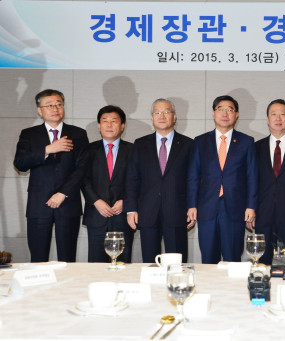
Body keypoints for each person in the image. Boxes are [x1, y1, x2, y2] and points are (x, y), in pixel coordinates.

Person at [14, 89, 89, 262]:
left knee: (68, 258)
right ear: (40, 111)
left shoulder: (78, 134)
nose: (55, 108)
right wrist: (48, 149)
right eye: (49, 105)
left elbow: (82, 169)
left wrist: (63, 193)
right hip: (38, 204)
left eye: (59, 104)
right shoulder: (29, 134)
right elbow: (20, 163)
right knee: (38, 258)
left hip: (68, 203)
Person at [187, 95, 257, 263]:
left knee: (233, 258)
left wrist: (251, 206)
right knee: (208, 259)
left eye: (230, 109)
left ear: (237, 115)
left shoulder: (247, 142)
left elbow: (252, 177)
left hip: (235, 208)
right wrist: (191, 205)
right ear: (213, 113)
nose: (225, 113)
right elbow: (193, 176)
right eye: (221, 109)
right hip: (207, 208)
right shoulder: (200, 141)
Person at [125, 98, 193, 263]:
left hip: (177, 212)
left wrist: (192, 206)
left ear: (174, 117)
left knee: (177, 265)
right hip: (147, 212)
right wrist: (131, 209)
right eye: (157, 112)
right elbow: (132, 179)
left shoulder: (188, 144)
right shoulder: (140, 144)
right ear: (152, 117)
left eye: (166, 112)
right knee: (150, 262)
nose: (161, 116)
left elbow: (193, 179)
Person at [81, 105, 134, 263]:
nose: (109, 125)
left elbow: (140, 180)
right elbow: (83, 178)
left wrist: (126, 201)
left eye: (114, 121)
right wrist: (96, 201)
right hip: (97, 215)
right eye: (105, 121)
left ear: (122, 126)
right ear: (99, 126)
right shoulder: (88, 150)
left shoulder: (134, 150)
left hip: (123, 216)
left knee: (123, 264)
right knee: (96, 266)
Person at [255, 99, 285, 265]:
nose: (278, 118)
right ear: (267, 119)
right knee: (262, 263)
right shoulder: (255, 148)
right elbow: (251, 183)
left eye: (283, 114)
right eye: (273, 114)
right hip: (263, 215)